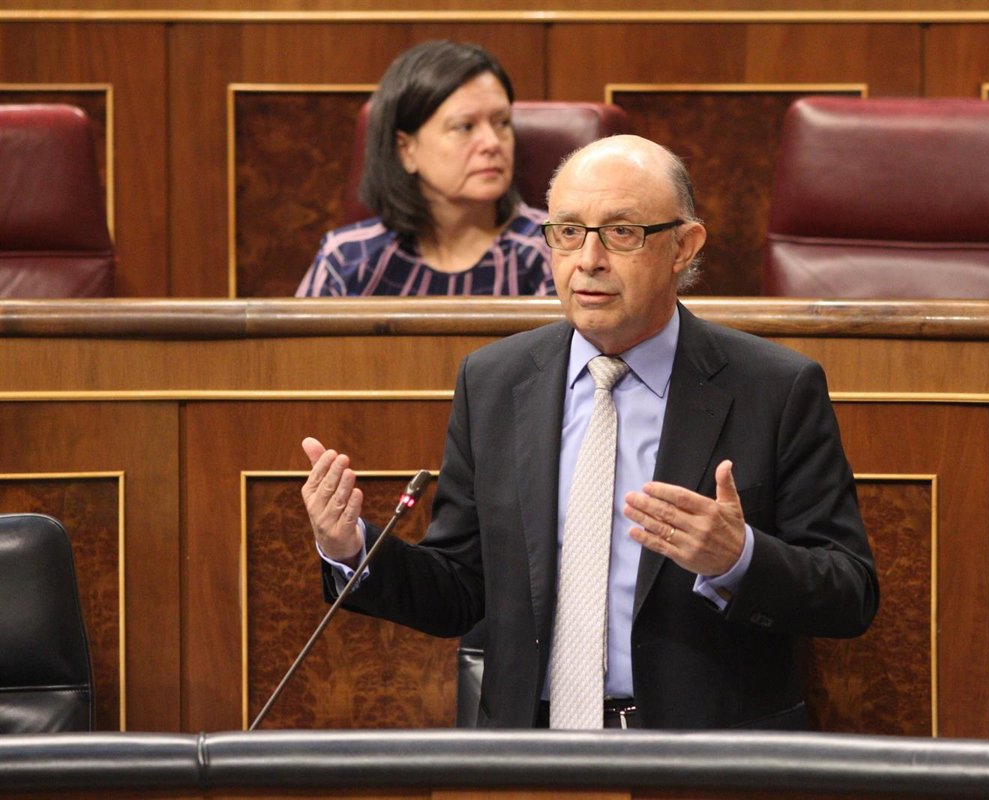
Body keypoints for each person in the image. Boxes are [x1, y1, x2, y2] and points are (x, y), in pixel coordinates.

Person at [301, 135, 878, 730]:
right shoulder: (494, 382)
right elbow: (462, 588)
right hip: (532, 751)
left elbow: (850, 591)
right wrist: (352, 549)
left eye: (622, 232)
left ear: (683, 246)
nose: (588, 260)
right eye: (569, 232)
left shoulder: (774, 389)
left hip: (704, 754)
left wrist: (738, 559)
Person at [295, 40, 554, 297]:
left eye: (502, 123)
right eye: (464, 127)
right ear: (406, 150)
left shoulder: (553, 249)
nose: (492, 143)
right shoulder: (346, 259)